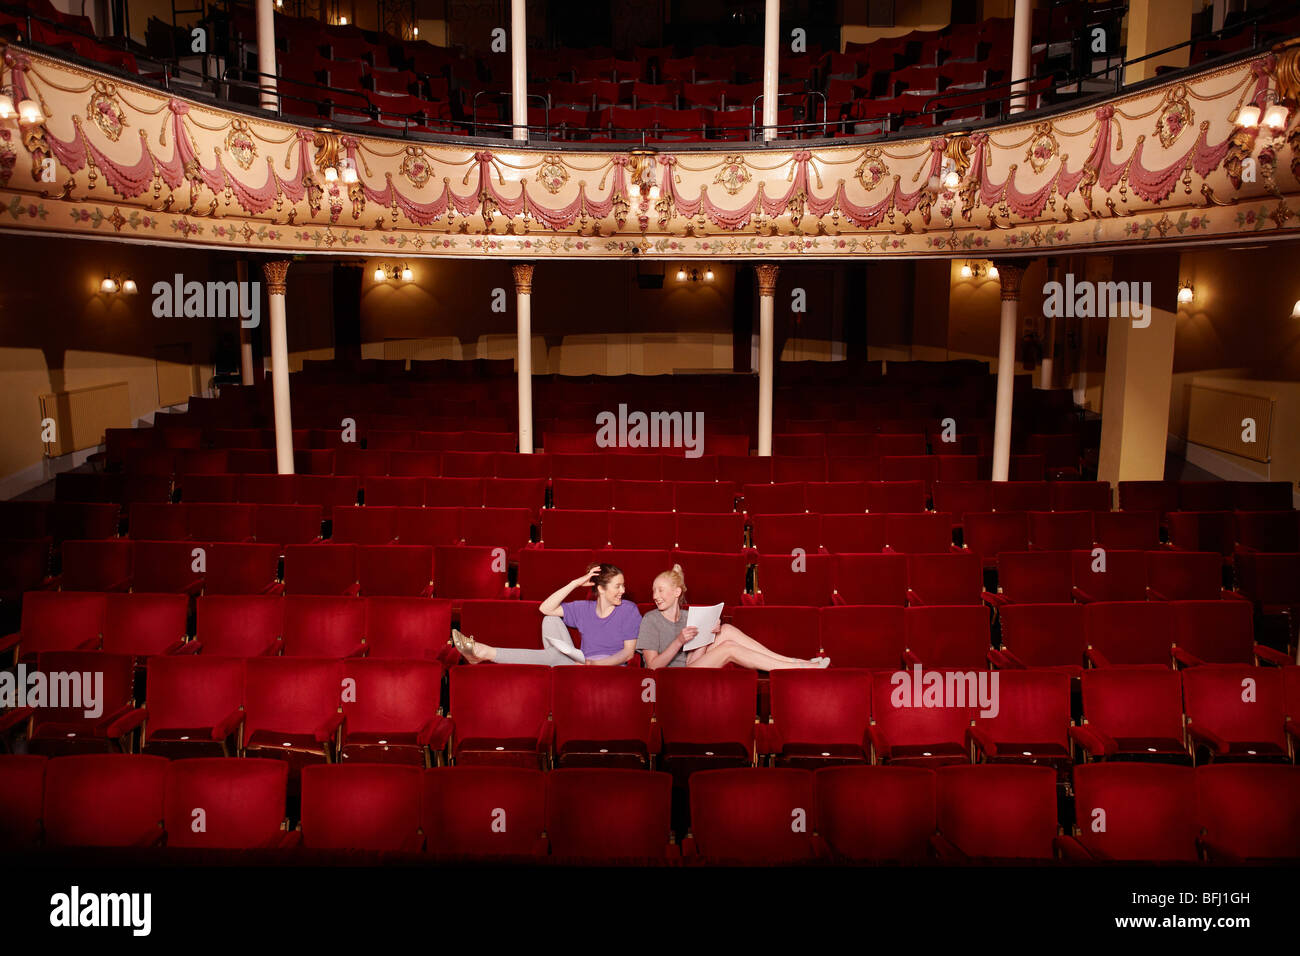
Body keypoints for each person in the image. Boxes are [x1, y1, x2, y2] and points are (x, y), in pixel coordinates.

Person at [637, 564, 829, 670]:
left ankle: (793, 661)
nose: (655, 596)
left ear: (677, 591)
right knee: (729, 649)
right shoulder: (650, 620)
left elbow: (690, 661)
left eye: (660, 590)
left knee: (726, 630)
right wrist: (678, 641)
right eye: (654, 590)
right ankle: (796, 669)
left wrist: (706, 637)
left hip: (690, 669)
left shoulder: (689, 617)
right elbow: (653, 667)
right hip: (670, 679)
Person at [452, 563, 640, 666]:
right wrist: (574, 583)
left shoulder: (628, 610)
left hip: (609, 671)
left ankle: (485, 652)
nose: (623, 590)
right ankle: (481, 653)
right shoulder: (584, 608)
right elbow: (545, 608)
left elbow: (628, 653)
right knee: (550, 619)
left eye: (623, 585)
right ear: (600, 589)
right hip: (579, 667)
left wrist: (597, 665)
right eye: (618, 586)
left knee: (554, 658)